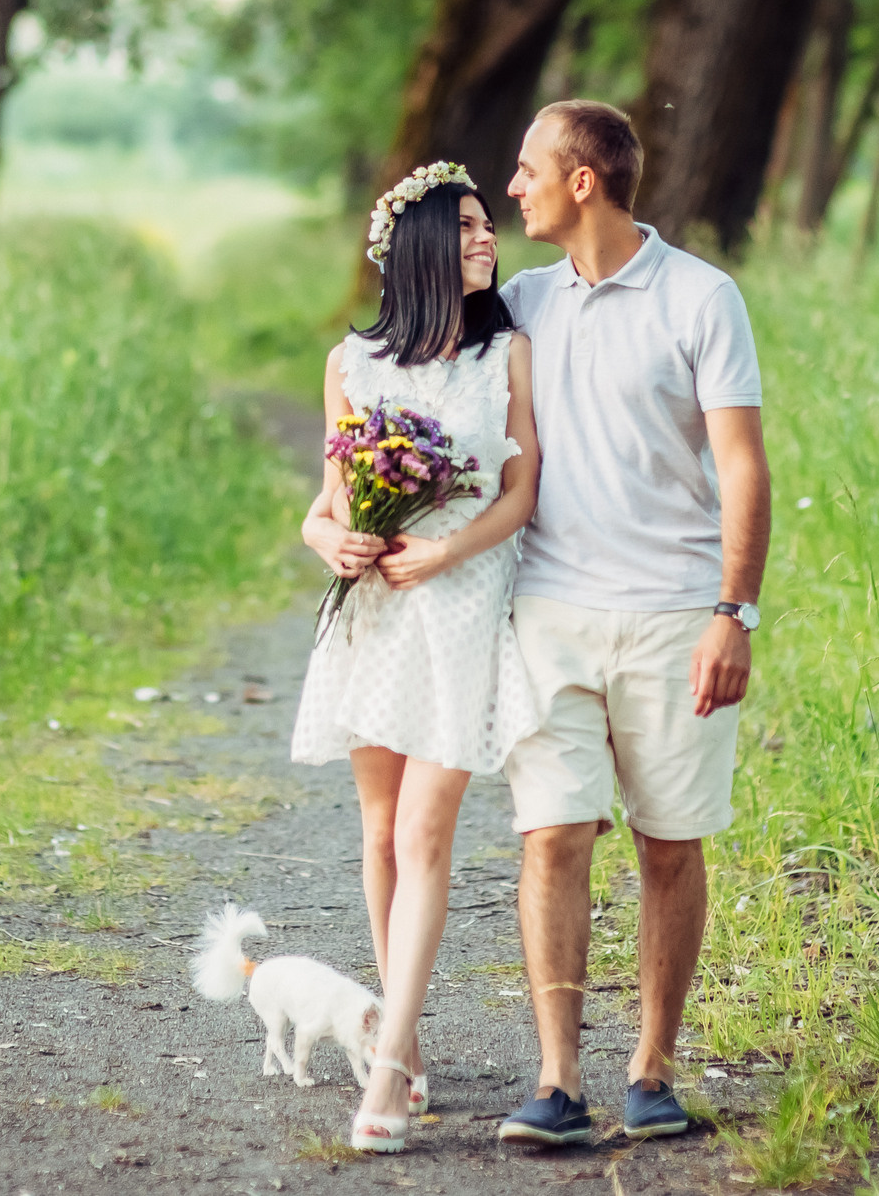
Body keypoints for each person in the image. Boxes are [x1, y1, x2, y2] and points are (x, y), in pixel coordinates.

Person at [490, 100, 772, 1149]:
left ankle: (650, 1067)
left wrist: (730, 612)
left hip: (671, 614)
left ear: (581, 181)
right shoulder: (519, 301)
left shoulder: (702, 296)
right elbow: (408, 339)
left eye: (526, 169)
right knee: (552, 833)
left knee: (667, 843)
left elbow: (741, 463)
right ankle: (557, 1079)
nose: (510, 185)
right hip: (547, 611)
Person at [294, 162, 544, 1155]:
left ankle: (390, 1058)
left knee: (426, 832)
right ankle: (405, 1028)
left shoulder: (506, 358)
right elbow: (321, 505)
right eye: (474, 227)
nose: (490, 240)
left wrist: (446, 547)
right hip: (374, 613)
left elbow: (520, 496)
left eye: (490, 224)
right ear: (429, 247)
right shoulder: (350, 362)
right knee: (380, 828)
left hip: (462, 598)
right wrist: (337, 543)